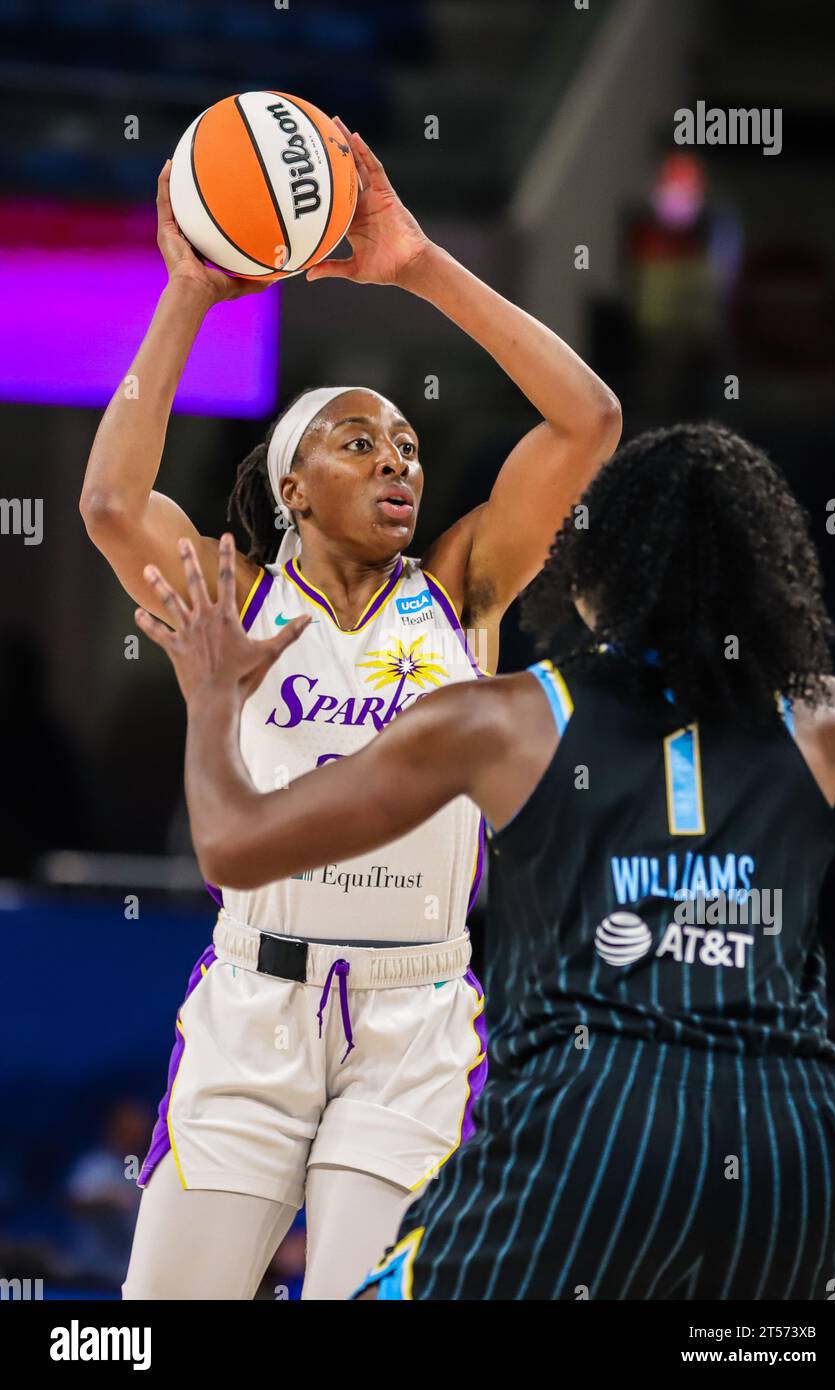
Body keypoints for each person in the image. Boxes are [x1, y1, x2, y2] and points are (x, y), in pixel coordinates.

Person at [136, 422, 835, 1300]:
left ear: (593, 575)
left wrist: (214, 700)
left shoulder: (510, 717)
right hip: (789, 1147)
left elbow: (230, 845)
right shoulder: (829, 721)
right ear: (769, 572)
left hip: (593, 1131)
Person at [80, 119, 621, 1300]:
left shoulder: (464, 590)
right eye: (357, 439)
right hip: (252, 1006)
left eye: (409, 445)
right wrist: (185, 294)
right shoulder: (230, 597)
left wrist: (419, 264)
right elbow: (115, 503)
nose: (397, 462)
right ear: (290, 485)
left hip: (414, 1019)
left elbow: (588, 422)